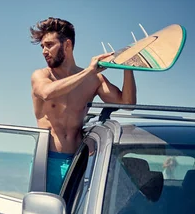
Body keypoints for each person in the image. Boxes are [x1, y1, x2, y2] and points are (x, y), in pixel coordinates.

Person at [30, 17, 137, 193]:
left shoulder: (93, 79)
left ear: (67, 45)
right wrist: (89, 71)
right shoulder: (41, 76)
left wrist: (128, 66)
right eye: (42, 46)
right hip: (48, 161)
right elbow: (47, 93)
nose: (44, 51)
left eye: (49, 45)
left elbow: (127, 104)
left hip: (81, 161)